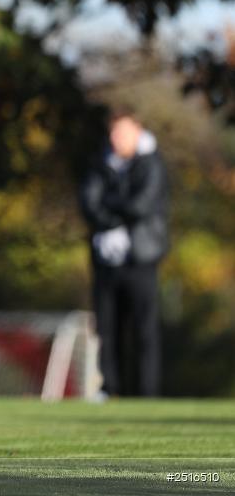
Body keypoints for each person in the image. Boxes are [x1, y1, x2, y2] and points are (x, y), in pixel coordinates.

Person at [80, 106, 169, 397]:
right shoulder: (99, 163)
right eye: (115, 132)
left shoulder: (152, 164)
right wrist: (112, 218)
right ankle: (111, 388)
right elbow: (89, 204)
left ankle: (147, 393)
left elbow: (141, 206)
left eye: (124, 132)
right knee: (108, 327)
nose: (118, 138)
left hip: (141, 257)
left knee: (144, 329)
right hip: (106, 259)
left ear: (138, 131)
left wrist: (109, 206)